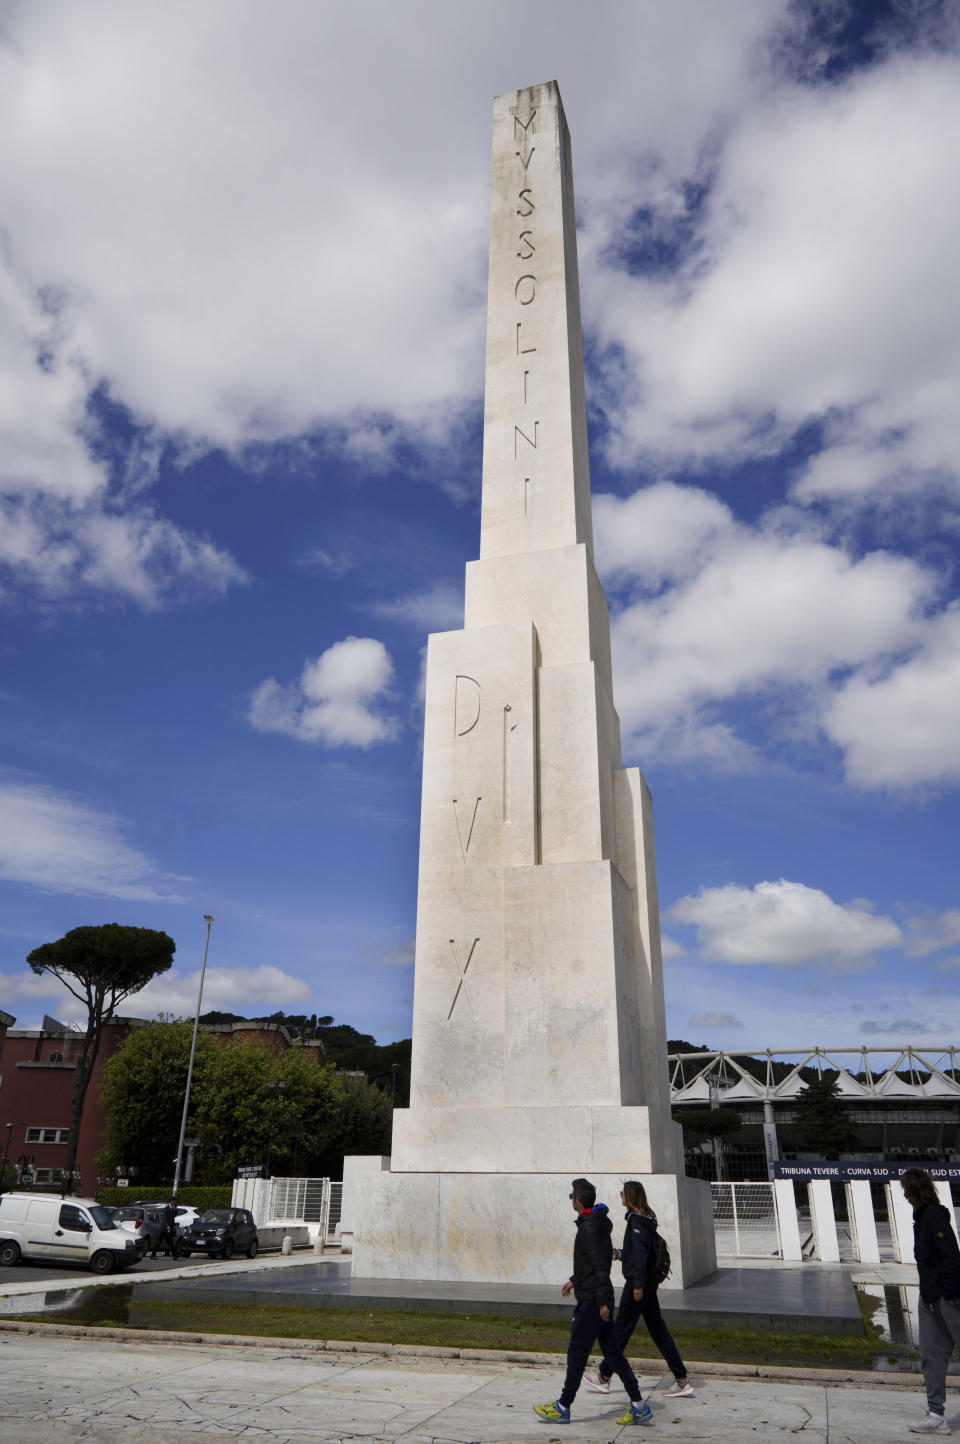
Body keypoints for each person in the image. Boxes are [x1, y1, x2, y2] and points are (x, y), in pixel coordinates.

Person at [534, 1178, 652, 1426]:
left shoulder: (589, 1227)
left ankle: (563, 1406)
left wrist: (601, 1303)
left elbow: (600, 1267)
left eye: (572, 1196)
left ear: (578, 1200)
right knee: (613, 1353)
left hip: (592, 1301)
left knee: (577, 1352)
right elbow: (593, 1262)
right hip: (595, 1296)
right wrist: (574, 1279)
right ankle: (639, 1404)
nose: (571, 1200)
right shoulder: (596, 1223)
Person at [584, 1179, 693, 1400]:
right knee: (658, 1330)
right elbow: (639, 1252)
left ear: (630, 1197)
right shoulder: (645, 1218)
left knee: (621, 1329)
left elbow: (642, 1256)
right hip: (646, 1283)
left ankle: (604, 1376)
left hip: (638, 1285)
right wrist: (622, 1254)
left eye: (622, 1193)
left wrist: (638, 1284)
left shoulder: (636, 1221)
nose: (620, 1196)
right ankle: (681, 1380)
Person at [902, 1168, 960, 1435]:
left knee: (936, 1354)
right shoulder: (922, 1217)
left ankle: (936, 1413)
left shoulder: (934, 1216)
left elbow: (950, 1255)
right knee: (931, 1356)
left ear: (914, 1190)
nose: (904, 1195)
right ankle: (935, 1414)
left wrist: (949, 1295)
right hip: (930, 1296)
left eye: (906, 1190)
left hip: (945, 1298)